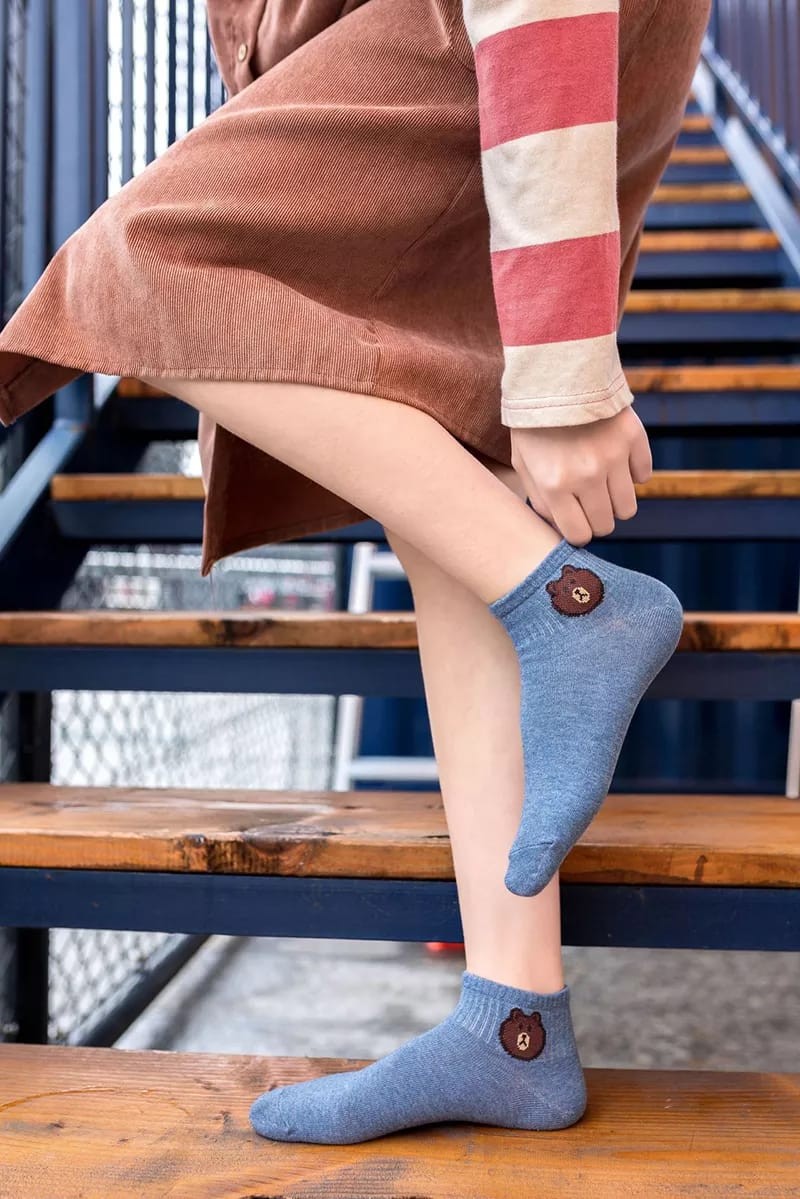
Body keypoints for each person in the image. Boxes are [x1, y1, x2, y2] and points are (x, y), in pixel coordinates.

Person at [0, 0, 710, 1144]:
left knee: (137, 263)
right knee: (453, 482)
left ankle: (571, 603)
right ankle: (513, 1023)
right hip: (494, 56)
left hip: (518, 40)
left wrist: (562, 361)